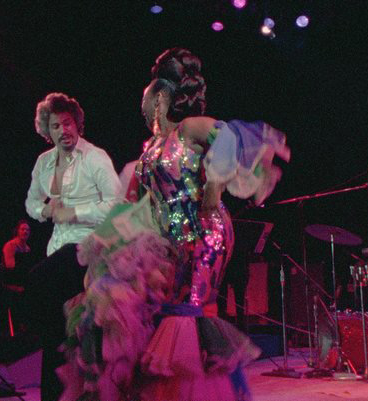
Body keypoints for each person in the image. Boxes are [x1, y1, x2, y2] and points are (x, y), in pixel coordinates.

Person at [58, 48, 290, 400]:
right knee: (165, 314)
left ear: (159, 97)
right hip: (168, 240)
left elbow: (227, 136)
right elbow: (133, 205)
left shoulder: (187, 129)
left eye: (145, 96)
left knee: (187, 311)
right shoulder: (149, 149)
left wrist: (213, 187)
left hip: (203, 230)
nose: (141, 105)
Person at [23, 92, 122, 400]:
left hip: (88, 248)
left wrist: (75, 212)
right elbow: (31, 202)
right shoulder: (44, 162)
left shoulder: (95, 157)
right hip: (58, 250)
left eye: (67, 123)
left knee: (37, 282)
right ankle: (56, 392)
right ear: (47, 130)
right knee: (59, 335)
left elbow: (116, 204)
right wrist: (46, 210)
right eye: (55, 126)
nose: (63, 130)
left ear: (77, 124)